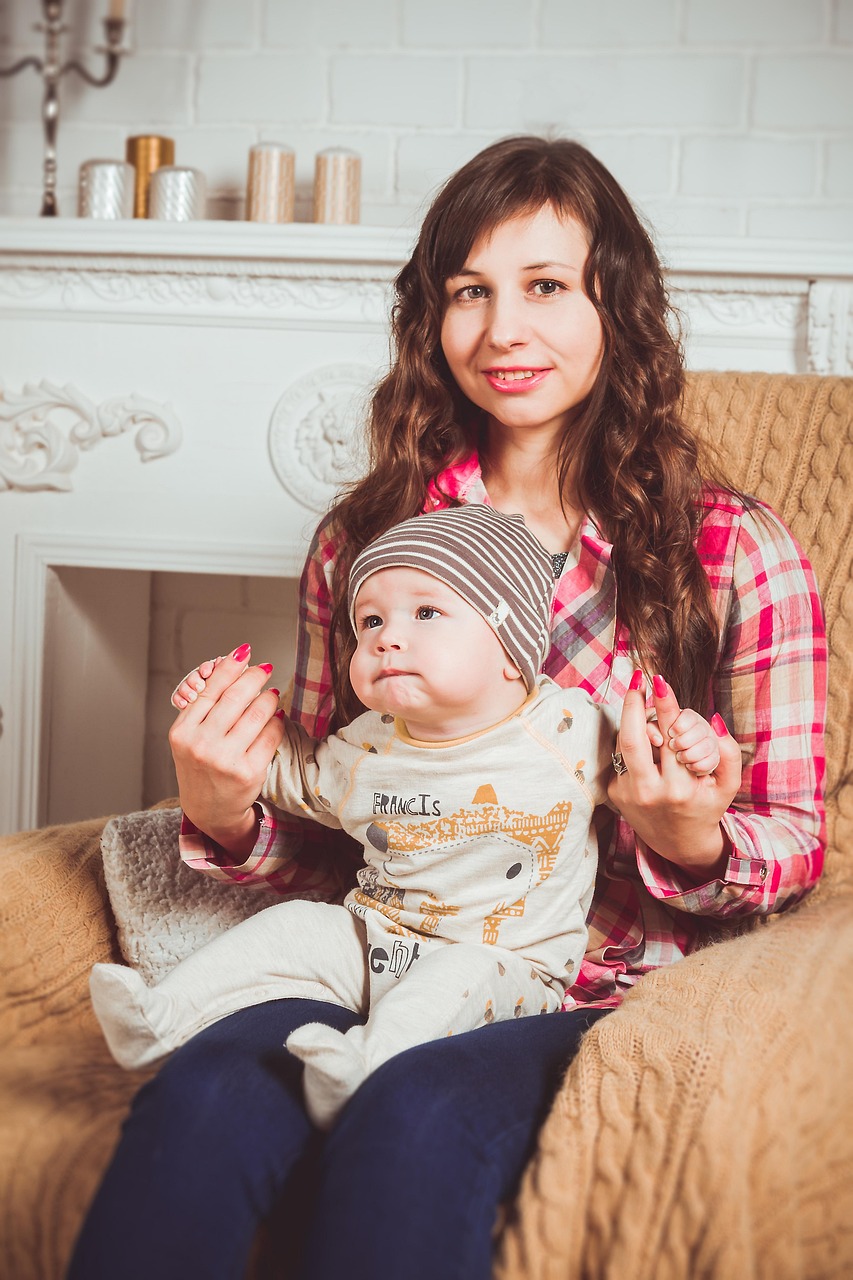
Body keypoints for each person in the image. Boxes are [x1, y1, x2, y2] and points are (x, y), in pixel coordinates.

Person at [68, 136, 826, 1280]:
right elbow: (339, 815)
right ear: (431, 316)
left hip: (590, 986)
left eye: (546, 286)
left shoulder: (732, 550)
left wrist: (691, 837)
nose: (503, 329)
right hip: (381, 944)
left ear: (615, 304)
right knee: (207, 1091)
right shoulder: (363, 543)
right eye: (469, 291)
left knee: (413, 1112)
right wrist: (225, 807)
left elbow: (794, 839)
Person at [88, 504, 621, 1130]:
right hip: (376, 941)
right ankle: (162, 1017)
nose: (386, 638)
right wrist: (228, 712)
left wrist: (686, 749)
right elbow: (295, 775)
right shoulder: (369, 743)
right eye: (370, 621)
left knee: (454, 975)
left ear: (512, 649)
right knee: (293, 928)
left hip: (505, 968)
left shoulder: (566, 729)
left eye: (427, 613)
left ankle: (362, 1067)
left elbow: (649, 767)